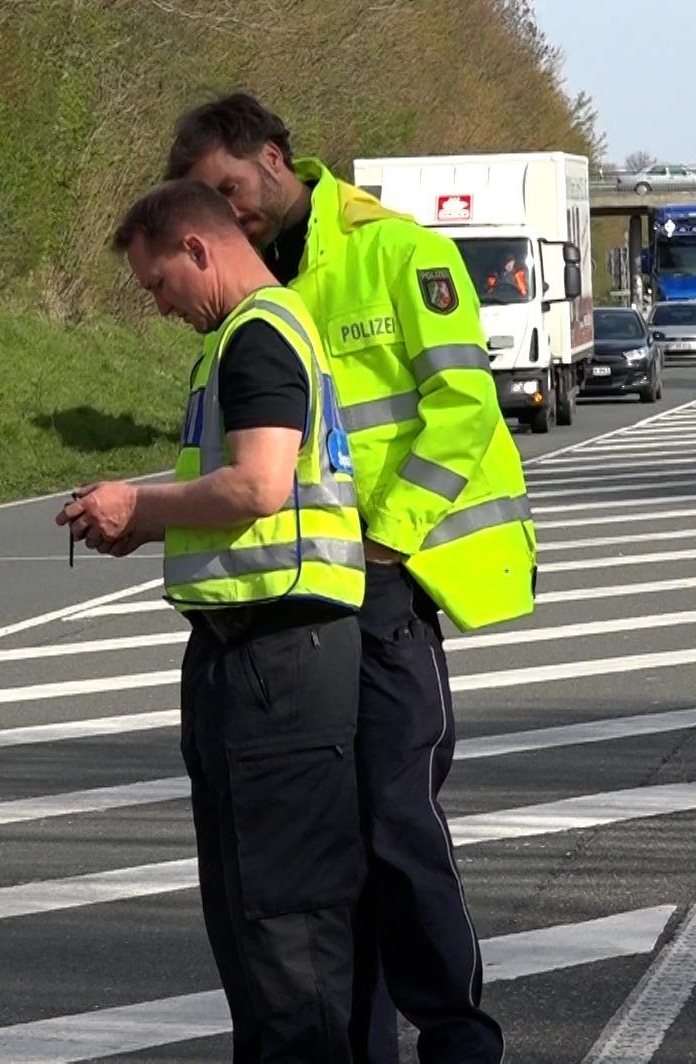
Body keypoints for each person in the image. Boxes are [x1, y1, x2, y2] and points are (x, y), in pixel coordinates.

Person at [168, 93, 529, 1064]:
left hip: (388, 583)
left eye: (230, 189)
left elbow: (463, 407)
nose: (224, 213)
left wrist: (387, 540)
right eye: (205, 200)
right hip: (302, 611)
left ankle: (458, 1039)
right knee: (327, 848)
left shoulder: (394, 250)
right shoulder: (242, 293)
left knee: (393, 822)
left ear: (276, 159)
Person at [62, 179, 369, 1061]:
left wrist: (144, 508)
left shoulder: (258, 336)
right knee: (255, 934)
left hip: (282, 661)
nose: (159, 307)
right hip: (251, 660)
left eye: (159, 284)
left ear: (198, 249)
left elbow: (259, 484)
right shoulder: (247, 337)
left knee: (286, 938)